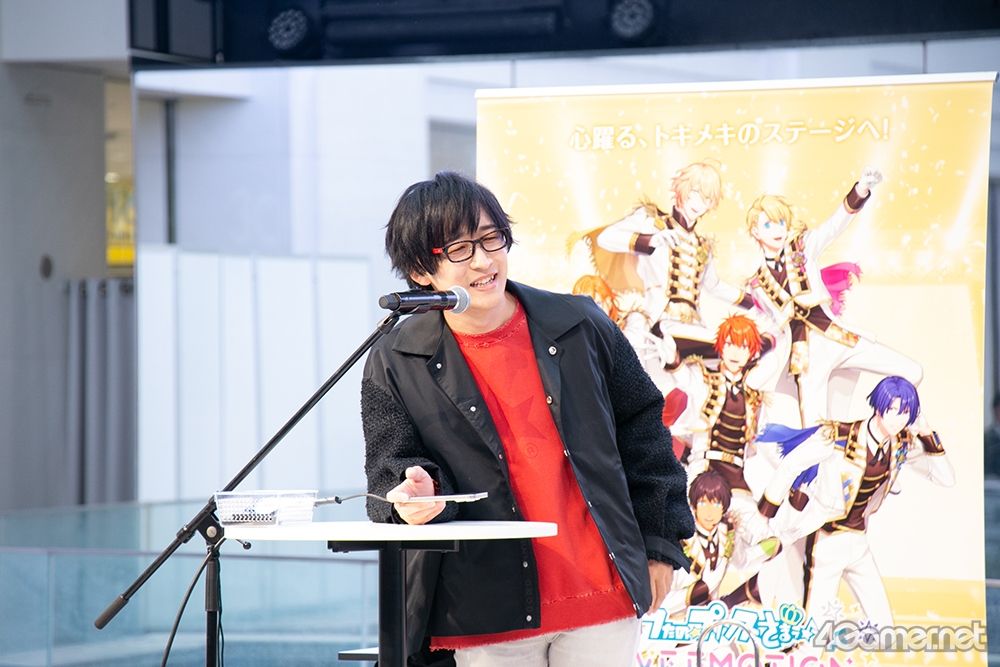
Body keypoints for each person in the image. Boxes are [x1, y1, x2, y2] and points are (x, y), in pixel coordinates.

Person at [362, 172, 694, 667]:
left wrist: (660, 545)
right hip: (484, 610)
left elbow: (644, 429)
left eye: (491, 238)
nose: (483, 260)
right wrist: (417, 495)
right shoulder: (396, 357)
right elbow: (389, 469)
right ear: (419, 269)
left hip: (602, 596)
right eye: (458, 249)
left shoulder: (580, 324)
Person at [754, 376, 954, 634]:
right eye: (892, 409)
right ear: (879, 406)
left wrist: (925, 431)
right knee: (815, 636)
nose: (898, 419)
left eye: (905, 412)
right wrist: (764, 515)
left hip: (858, 543)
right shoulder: (838, 436)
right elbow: (790, 466)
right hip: (826, 541)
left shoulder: (901, 444)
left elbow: (945, 478)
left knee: (884, 630)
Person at [743, 169, 923, 426]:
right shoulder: (757, 284)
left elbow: (833, 226)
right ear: (755, 231)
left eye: (781, 223)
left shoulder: (802, 249)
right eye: (768, 225)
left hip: (837, 337)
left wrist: (860, 190)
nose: (777, 230)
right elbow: (774, 328)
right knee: (817, 431)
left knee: (912, 372)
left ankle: (879, 422)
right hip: (804, 357)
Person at [585, 160, 755, 391]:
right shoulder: (653, 221)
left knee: (734, 354)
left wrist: (754, 301)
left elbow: (713, 285)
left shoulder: (702, 245)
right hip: (658, 322)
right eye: (695, 192)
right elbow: (606, 238)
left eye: (707, 199)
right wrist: (651, 240)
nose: (699, 203)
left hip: (693, 327)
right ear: (682, 188)